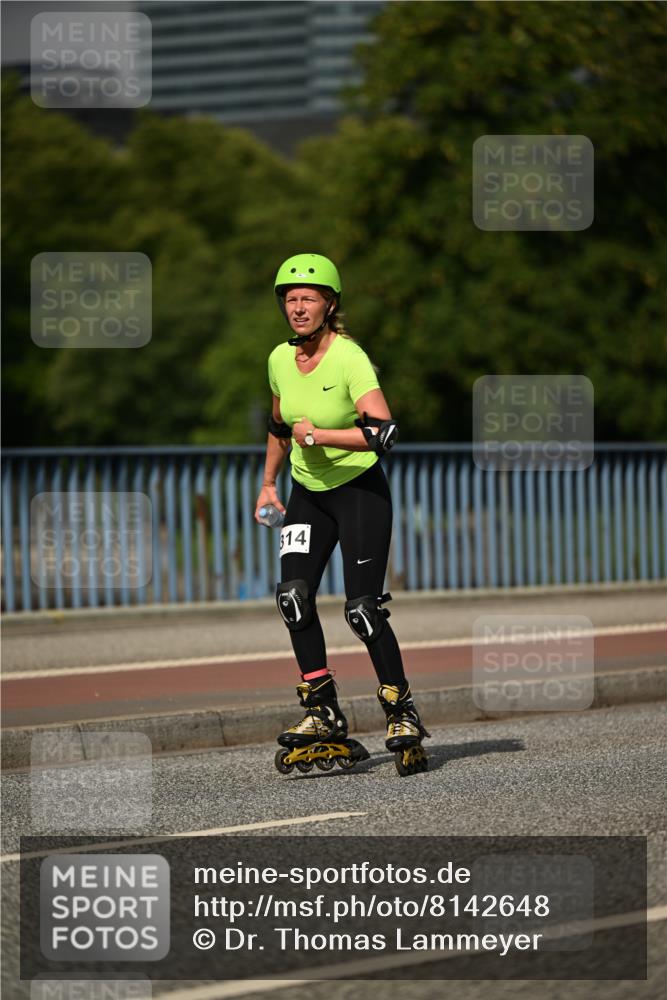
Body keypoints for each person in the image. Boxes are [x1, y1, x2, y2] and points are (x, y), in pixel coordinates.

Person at [255, 253, 429, 776]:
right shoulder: (279, 360)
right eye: (290, 298)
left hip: (359, 491)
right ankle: (323, 710)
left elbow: (384, 432)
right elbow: (279, 425)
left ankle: (401, 710)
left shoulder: (350, 358)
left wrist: (325, 435)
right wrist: (268, 482)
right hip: (308, 491)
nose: (298, 307)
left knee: (361, 608)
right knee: (291, 597)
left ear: (330, 305)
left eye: (308, 298)